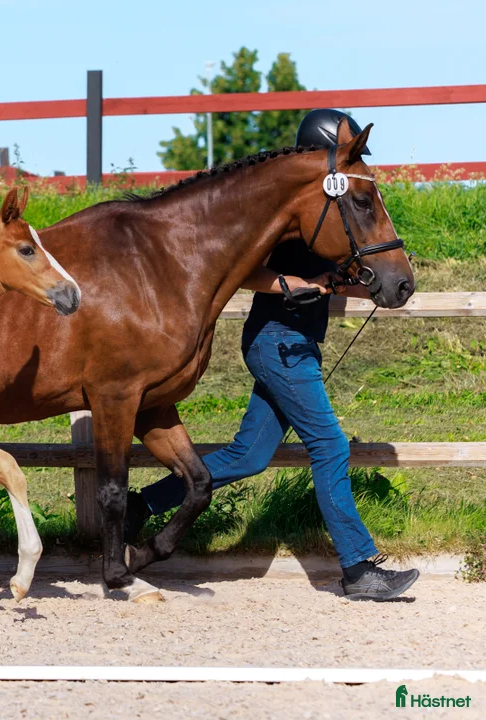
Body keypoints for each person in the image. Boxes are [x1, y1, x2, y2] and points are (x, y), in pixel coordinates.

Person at [125, 109, 419, 601]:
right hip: (279, 343)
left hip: (289, 344)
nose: (354, 160)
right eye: (346, 151)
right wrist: (290, 283)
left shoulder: (328, 210)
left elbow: (339, 267)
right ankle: (358, 568)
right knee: (331, 447)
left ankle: (142, 507)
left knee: (248, 455)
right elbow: (239, 269)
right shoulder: (283, 216)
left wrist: (373, 281)